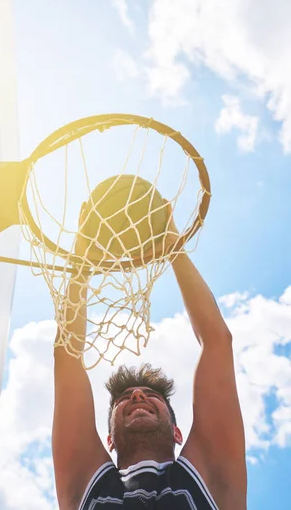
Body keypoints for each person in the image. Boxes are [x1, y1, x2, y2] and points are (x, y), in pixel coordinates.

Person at [52, 205, 247, 509]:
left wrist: (174, 248)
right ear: (110, 440)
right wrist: (81, 263)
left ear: (177, 432)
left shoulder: (211, 476)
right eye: (124, 398)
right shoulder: (85, 483)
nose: (138, 394)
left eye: (152, 395)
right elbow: (67, 358)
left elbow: (217, 342)